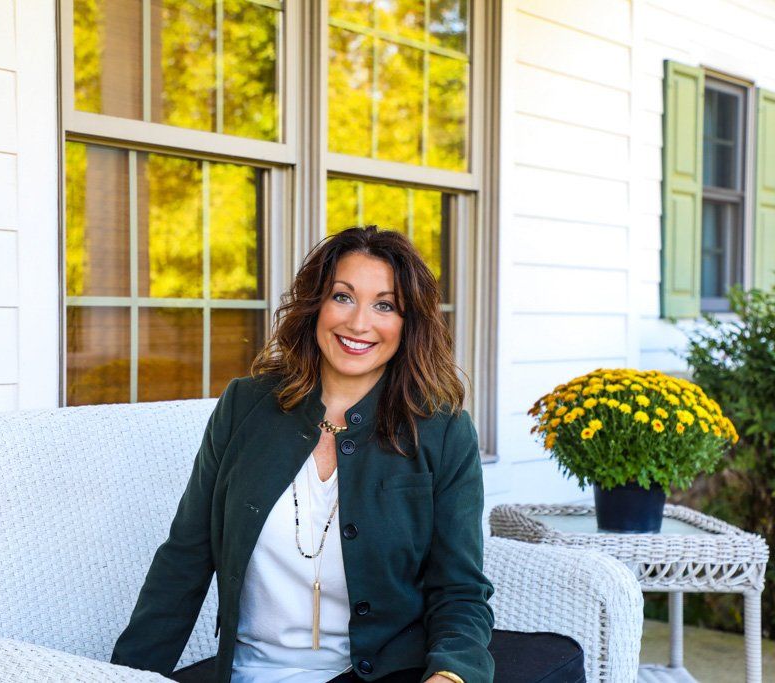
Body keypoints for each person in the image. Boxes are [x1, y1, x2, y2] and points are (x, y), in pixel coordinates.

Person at [110, 226, 586, 683]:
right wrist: (123, 677)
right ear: (316, 305)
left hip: (387, 671)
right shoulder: (244, 406)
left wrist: (450, 674)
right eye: (343, 296)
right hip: (250, 671)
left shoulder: (443, 432)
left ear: (409, 323)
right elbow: (184, 559)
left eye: (385, 305)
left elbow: (459, 588)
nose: (359, 323)